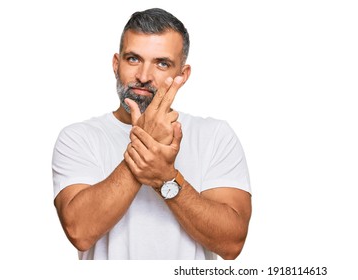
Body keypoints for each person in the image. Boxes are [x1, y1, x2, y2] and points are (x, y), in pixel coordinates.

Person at [52, 8, 252, 260]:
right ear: (116, 64)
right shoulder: (78, 137)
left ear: (182, 75)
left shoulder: (215, 135)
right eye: (133, 59)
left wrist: (165, 178)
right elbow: (79, 232)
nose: (144, 76)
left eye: (162, 63)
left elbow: (232, 243)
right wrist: (146, 144)